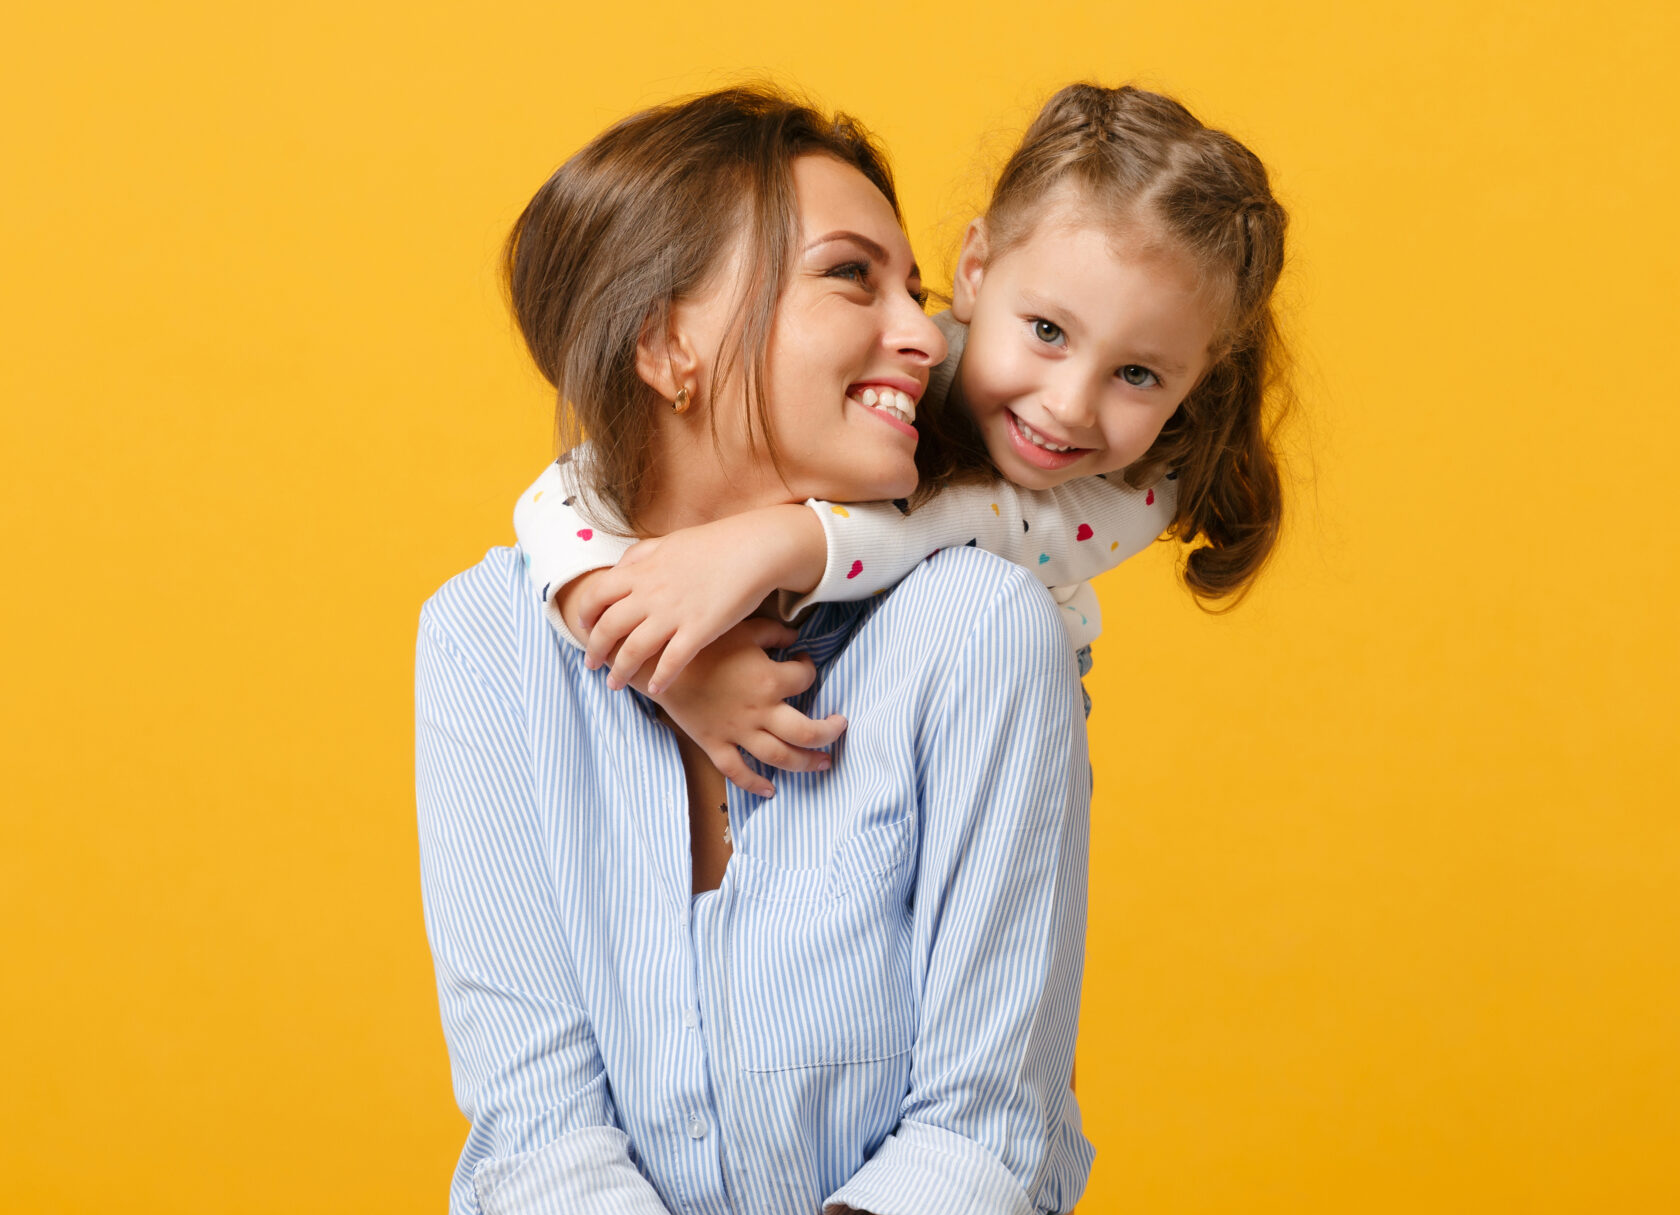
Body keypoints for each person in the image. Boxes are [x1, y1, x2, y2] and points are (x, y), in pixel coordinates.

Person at [417, 87, 1090, 1215]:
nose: (930, 339)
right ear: (667, 343)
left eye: (919, 292)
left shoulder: (981, 627)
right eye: (849, 277)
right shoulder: (484, 640)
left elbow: (979, 1129)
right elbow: (541, 1138)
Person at [513, 83, 1290, 796]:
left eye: (1140, 375)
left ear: (1198, 378)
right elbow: (564, 494)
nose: (1069, 406)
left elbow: (988, 521)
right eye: (1049, 331)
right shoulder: (915, 362)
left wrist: (783, 541)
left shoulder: (1142, 483)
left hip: (975, 720)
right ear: (977, 269)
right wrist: (663, 667)